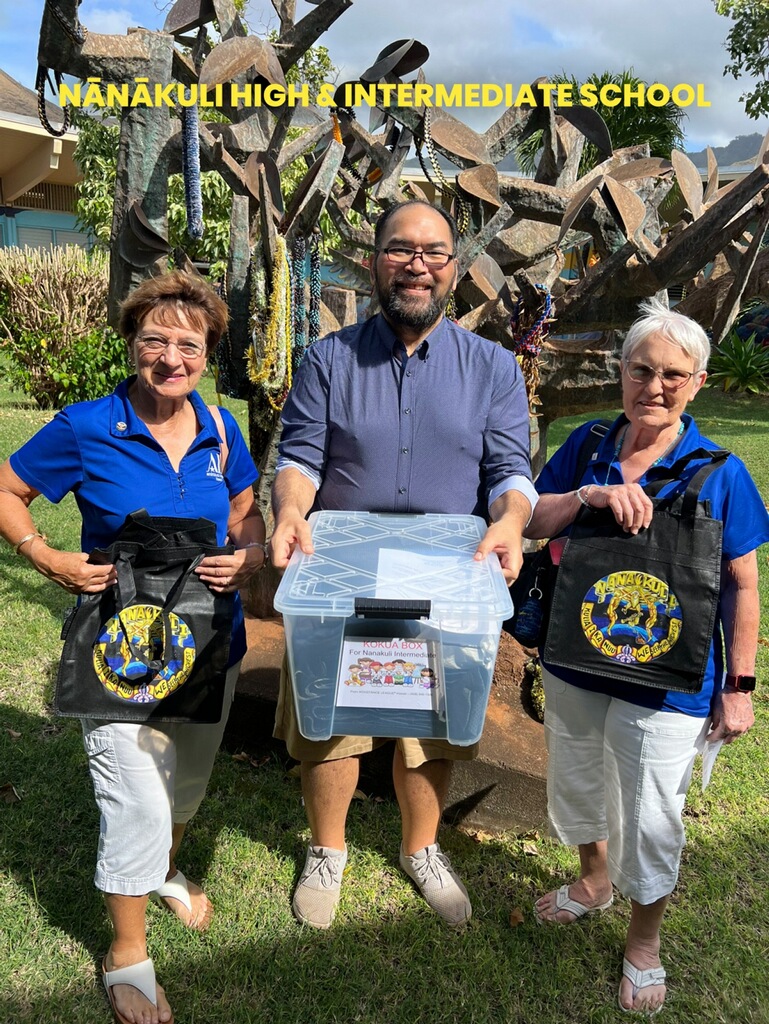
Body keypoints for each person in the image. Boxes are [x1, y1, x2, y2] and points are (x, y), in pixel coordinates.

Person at [0, 271, 266, 1024]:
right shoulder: (88, 425)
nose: (170, 356)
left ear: (209, 351)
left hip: (209, 638)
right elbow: (6, 488)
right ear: (131, 343)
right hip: (116, 644)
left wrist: (247, 557)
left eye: (189, 342)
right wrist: (45, 557)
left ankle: (164, 867)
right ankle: (125, 952)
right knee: (137, 796)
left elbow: (245, 511)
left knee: (183, 785)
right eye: (155, 339)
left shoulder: (221, 428)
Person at [270, 200, 536, 930]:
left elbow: (510, 470)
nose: (416, 265)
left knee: (434, 724)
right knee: (331, 719)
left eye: (433, 252)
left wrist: (511, 521)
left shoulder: (492, 369)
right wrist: (291, 511)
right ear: (373, 261)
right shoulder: (329, 359)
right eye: (399, 250)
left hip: (445, 575)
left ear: (454, 267)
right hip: (342, 570)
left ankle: (420, 848)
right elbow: (298, 458)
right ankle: (328, 850)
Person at [526, 298, 769, 1013]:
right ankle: (593, 881)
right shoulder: (586, 442)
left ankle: (643, 941)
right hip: (574, 656)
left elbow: (741, 584)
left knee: (651, 810)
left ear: (695, 382)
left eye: (671, 374)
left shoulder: (720, 470)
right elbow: (530, 519)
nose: (653, 387)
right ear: (620, 371)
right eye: (640, 370)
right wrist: (586, 493)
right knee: (575, 779)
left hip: (668, 682)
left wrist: (740, 685)